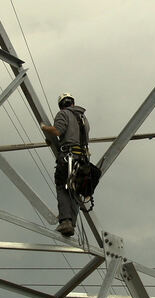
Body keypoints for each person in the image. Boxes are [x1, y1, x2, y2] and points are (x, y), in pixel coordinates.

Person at [40, 93, 90, 237]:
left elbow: (57, 131)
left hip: (68, 158)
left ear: (61, 105)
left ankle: (65, 222)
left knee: (62, 187)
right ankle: (71, 223)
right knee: (74, 190)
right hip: (82, 161)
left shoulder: (63, 114)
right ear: (73, 103)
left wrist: (45, 128)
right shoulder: (84, 119)